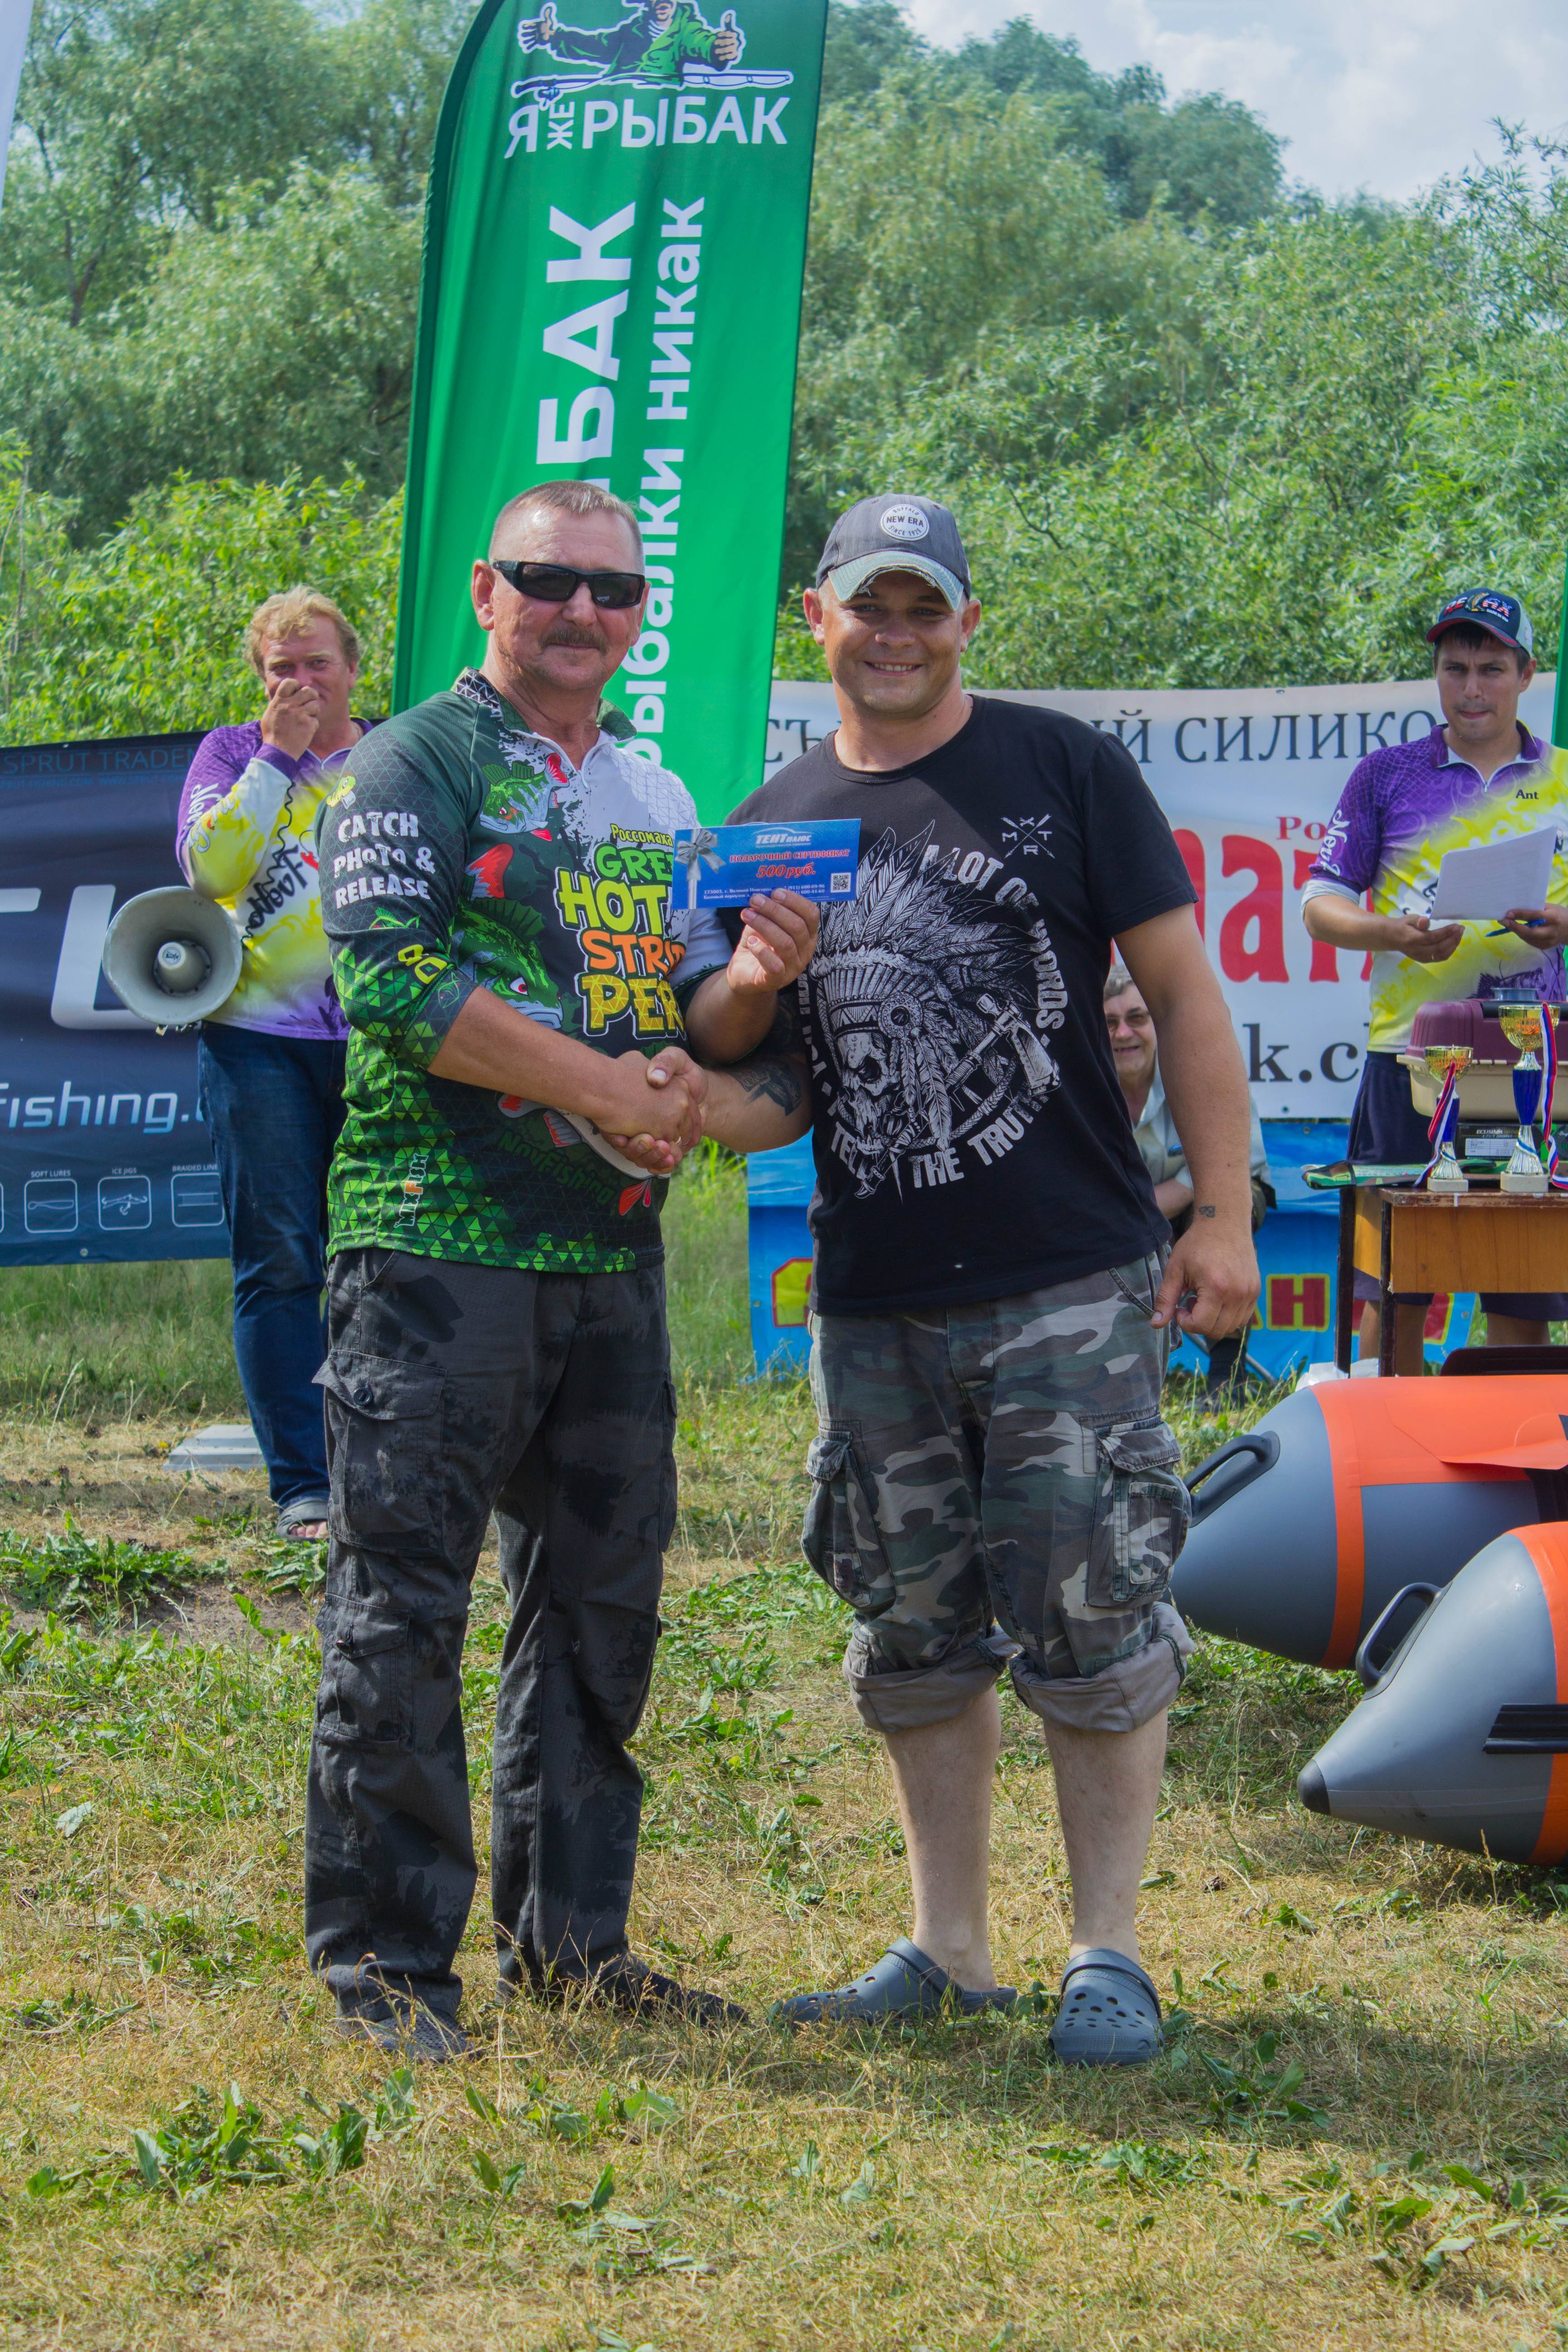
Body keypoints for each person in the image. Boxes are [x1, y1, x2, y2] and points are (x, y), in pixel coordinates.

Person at [687, 495, 1258, 2062]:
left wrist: (1219, 1214)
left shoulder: (1063, 767)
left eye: (921, 606)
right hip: (871, 1290)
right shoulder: (769, 821)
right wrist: (695, 1058)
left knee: (1093, 1604)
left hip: (1064, 1273)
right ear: (815, 619)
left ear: (965, 623)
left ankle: (1107, 1954)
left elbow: (1184, 997)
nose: (894, 633)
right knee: (909, 1622)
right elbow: (763, 1072)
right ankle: (947, 1947)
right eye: (866, 605)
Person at [304, 479, 816, 2058]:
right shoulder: (411, 761)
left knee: (600, 1610)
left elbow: (694, 1011)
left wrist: (747, 987)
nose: (582, 611)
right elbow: (394, 982)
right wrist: (608, 1089)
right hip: (432, 1248)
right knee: (400, 1611)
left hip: (608, 1262)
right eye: (549, 581)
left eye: (613, 589)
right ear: (487, 590)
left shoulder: (655, 795)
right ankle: (387, 1968)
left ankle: (574, 1943)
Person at [1301, 589, 1568, 1362]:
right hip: (1410, 1061)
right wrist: (1389, 933)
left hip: (1534, 1064)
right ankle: (1392, 1434)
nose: (1472, 689)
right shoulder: (1386, 775)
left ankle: (1516, 1435)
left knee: (1524, 1281)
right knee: (1395, 1288)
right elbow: (1320, 905)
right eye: (1455, 669)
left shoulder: (1564, 776)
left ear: (1526, 674)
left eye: (1492, 669)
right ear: (1438, 674)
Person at [178, 590, 373, 1541]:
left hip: (385, 1035)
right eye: (280, 669)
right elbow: (210, 872)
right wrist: (276, 756)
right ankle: (305, 1484)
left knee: (386, 1256)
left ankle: (384, 1462)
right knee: (282, 1258)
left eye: (316, 664)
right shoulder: (230, 753)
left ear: (353, 669)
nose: (300, 682)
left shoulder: (394, 752)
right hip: (255, 1037)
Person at [1104, 963, 1273, 1402]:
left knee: (1215, 1222)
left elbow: (1227, 1167)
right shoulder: (1083, 1083)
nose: (1123, 1033)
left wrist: (1140, 1212)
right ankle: (1113, 1378)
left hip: (1215, 1193)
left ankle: (1227, 1379)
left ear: (1157, 1023)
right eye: (1110, 1023)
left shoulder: (1198, 1066)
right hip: (1125, 1207)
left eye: (1137, 1018)